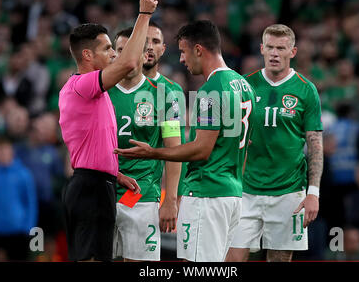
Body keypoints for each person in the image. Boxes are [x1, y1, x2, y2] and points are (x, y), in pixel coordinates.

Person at [115, 20, 257, 262]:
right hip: (232, 192)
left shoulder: (210, 91)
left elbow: (201, 150)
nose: (181, 59)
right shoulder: (244, 85)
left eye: (183, 51)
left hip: (206, 191)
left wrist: (153, 153)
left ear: (198, 50)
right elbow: (249, 145)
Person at [58, 0, 157, 262]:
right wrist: (144, 14)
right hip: (89, 188)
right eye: (108, 48)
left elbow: (95, 145)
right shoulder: (81, 85)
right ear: (87, 55)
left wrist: (115, 175)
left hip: (101, 184)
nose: (114, 53)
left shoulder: (97, 94)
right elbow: (128, 64)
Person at [226, 24, 324, 262]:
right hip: (245, 190)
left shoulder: (306, 89)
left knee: (279, 260)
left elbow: (315, 144)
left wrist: (313, 193)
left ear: (293, 52)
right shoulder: (243, 85)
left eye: (281, 48)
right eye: (269, 47)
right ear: (261, 49)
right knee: (230, 260)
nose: (274, 53)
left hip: (288, 192)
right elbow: (229, 138)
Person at [108, 28, 182, 261]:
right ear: (114, 54)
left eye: (134, 50)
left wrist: (170, 200)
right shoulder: (100, 92)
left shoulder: (165, 96)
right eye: (121, 50)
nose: (128, 55)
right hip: (103, 194)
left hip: (142, 196)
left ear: (144, 55)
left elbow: (174, 149)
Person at [142, 21, 188, 198]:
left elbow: (177, 149)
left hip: (149, 191)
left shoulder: (173, 92)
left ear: (163, 48)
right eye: (145, 41)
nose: (150, 47)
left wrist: (175, 196)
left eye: (155, 41)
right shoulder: (114, 87)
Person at [0, 137, 37, 261]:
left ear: (11, 151)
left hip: (18, 230)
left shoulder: (23, 174)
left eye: (5, 150)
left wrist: (29, 227)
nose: (2, 153)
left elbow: (31, 203)